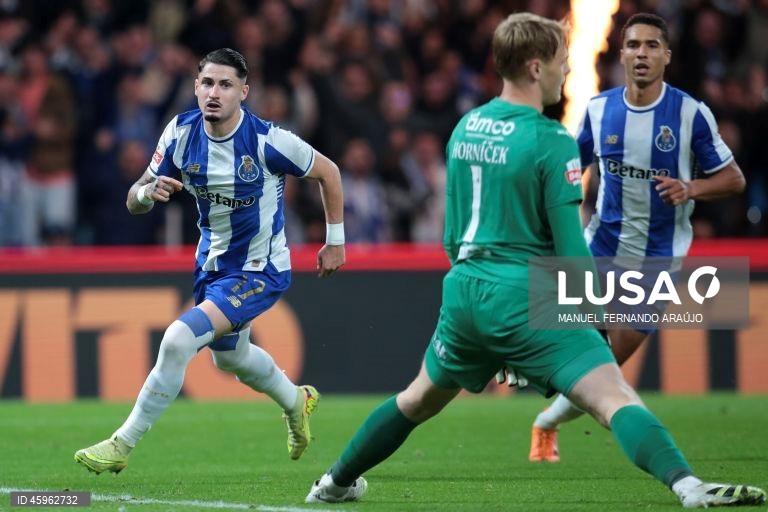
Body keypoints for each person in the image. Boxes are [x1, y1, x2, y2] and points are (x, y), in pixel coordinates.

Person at [304, 13, 765, 508]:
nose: (567, 72)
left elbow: (451, 236)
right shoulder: (551, 141)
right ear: (534, 67)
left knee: (416, 399)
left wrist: (489, 324)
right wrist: (591, 324)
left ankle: (332, 483)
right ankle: (689, 487)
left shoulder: (466, 126)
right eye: (563, 62)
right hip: (524, 292)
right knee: (614, 398)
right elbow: (571, 252)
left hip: (464, 290)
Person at [74, 48, 346, 473]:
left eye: (224, 85)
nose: (213, 93)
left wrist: (336, 241)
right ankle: (297, 400)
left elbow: (328, 172)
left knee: (178, 339)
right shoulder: (180, 134)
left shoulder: (267, 142)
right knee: (230, 358)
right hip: (213, 266)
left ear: (243, 91)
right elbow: (134, 198)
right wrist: (147, 193)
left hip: (261, 270)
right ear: (195, 87)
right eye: (206, 83)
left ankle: (121, 444)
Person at [529, 13, 747, 463]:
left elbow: (734, 179)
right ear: (622, 54)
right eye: (633, 45)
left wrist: (692, 188)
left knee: (606, 364)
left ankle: (547, 422)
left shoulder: (689, 114)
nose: (641, 53)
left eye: (651, 45)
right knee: (561, 342)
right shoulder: (599, 109)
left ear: (666, 56)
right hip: (600, 246)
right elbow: (571, 167)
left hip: (656, 260)